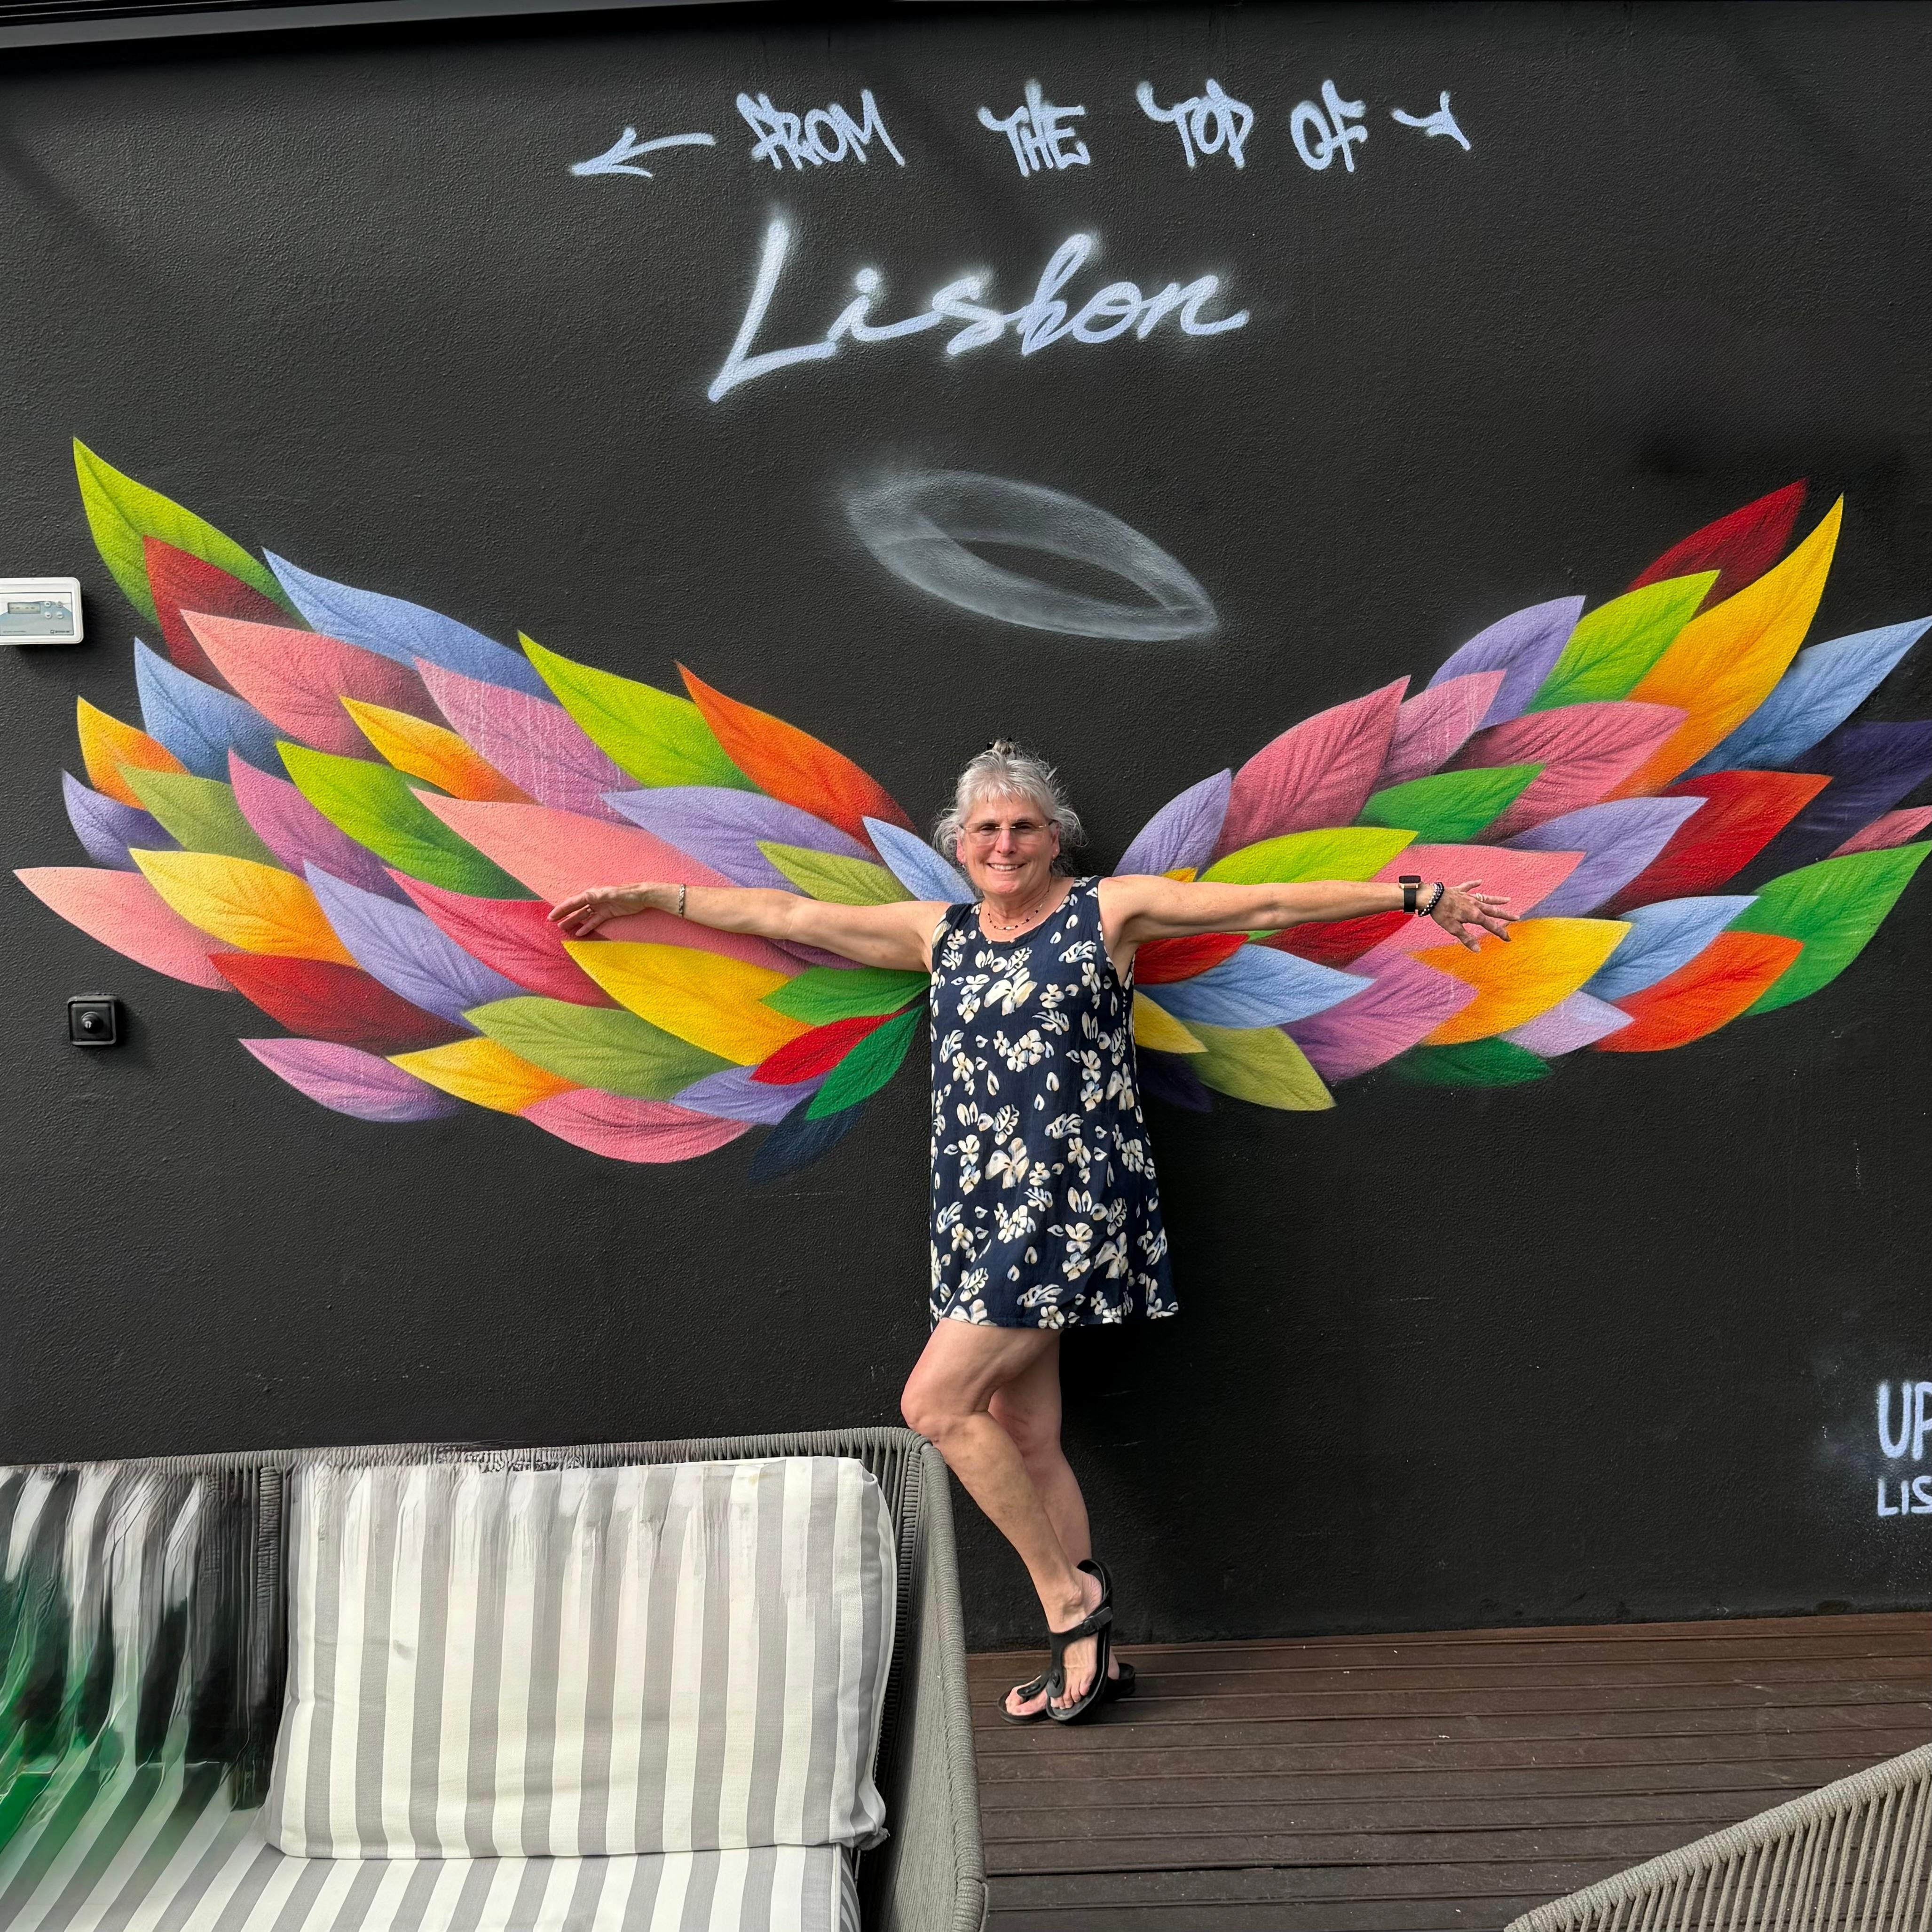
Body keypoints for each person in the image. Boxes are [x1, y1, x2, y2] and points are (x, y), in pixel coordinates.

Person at [549, 742, 1515, 1723]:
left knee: (934, 1403)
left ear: (1056, 839)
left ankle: (1068, 1600)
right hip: (976, 1207)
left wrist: (1416, 894)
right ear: (959, 844)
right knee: (1024, 1431)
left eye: (1023, 827)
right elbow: (789, 917)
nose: (1004, 843)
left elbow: (1263, 904)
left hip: (1066, 1200)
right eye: (986, 829)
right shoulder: (940, 932)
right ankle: (1088, 1647)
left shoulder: (1110, 913)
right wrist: (658, 897)